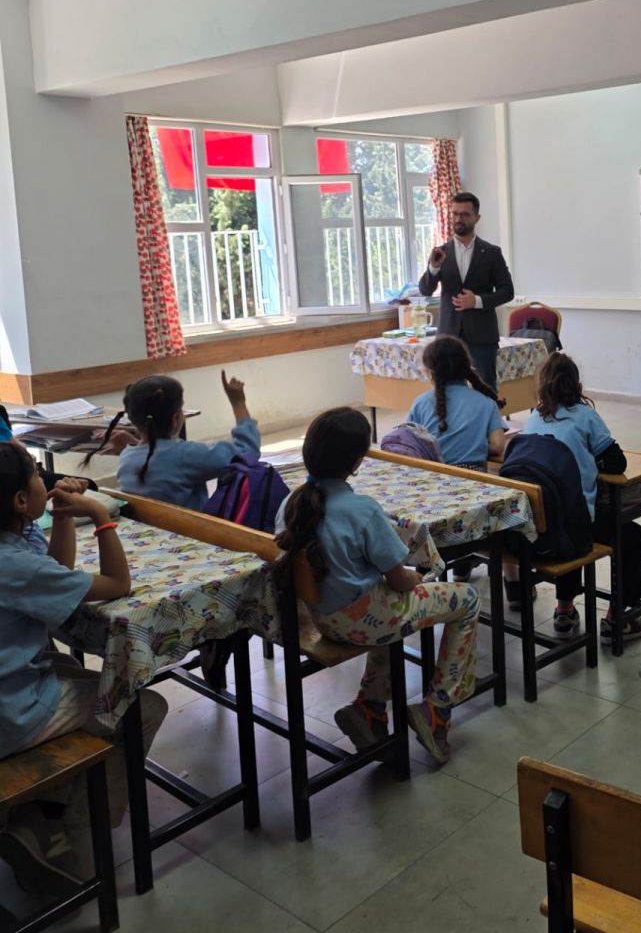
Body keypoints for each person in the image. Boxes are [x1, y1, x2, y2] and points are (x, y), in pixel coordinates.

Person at [0, 441, 168, 893]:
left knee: (75, 672)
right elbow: (118, 582)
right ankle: (60, 828)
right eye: (37, 476)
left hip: (14, 682)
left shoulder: (12, 549)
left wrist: (60, 516)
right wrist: (99, 515)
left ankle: (42, 807)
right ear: (20, 501)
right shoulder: (12, 564)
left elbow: (55, 572)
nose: (47, 480)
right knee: (142, 706)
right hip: (10, 713)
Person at [274, 407, 480, 765]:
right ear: (357, 462)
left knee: (382, 604)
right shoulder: (362, 509)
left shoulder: (291, 504)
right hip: (365, 620)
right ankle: (438, 709)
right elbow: (399, 579)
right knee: (467, 599)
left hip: (322, 617)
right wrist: (417, 578)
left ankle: (370, 707)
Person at [522, 352, 641, 644]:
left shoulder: (533, 419)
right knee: (632, 535)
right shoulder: (585, 416)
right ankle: (618, 617)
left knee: (565, 518)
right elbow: (617, 463)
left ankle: (564, 609)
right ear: (575, 384)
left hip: (538, 530)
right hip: (573, 530)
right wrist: (589, 462)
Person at [83, 371, 260, 511]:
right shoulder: (187, 455)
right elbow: (247, 453)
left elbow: (156, 458)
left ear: (132, 419)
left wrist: (133, 444)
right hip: (192, 534)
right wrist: (238, 403)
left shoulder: (128, 455)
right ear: (176, 419)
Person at [417, 191, 514, 391]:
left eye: (464, 214)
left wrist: (477, 301)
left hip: (482, 336)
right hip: (448, 335)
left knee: (486, 389)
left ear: (476, 218)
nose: (458, 219)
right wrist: (433, 268)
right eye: (454, 214)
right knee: (446, 390)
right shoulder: (440, 252)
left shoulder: (492, 253)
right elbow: (425, 290)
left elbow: (507, 291)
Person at [408, 336, 506, 471]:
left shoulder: (420, 403)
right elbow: (498, 445)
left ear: (429, 372)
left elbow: (409, 443)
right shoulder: (486, 403)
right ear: (467, 367)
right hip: (475, 477)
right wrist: (473, 445)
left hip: (432, 475)